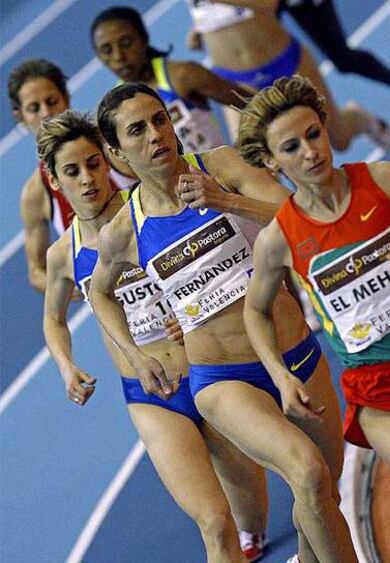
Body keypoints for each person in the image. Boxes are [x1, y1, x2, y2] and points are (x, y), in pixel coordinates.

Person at [90, 81, 358, 562]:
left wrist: (226, 201)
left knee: (324, 495)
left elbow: (300, 212)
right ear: (115, 151)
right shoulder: (123, 232)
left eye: (160, 119)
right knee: (308, 473)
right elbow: (99, 293)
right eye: (137, 130)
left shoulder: (222, 166)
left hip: (293, 352)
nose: (156, 135)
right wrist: (135, 354)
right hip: (222, 378)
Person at [39, 109, 281, 563]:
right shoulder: (62, 255)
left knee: (251, 521)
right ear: (55, 181)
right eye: (72, 171)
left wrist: (188, 312)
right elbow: (53, 319)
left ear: (108, 159)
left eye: (93, 164)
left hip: (208, 371)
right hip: (151, 396)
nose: (88, 179)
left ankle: (258, 533)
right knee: (214, 523)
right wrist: (66, 365)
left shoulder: (147, 209)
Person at [238, 74, 390, 488]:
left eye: (314, 134)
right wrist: (280, 375)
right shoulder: (279, 238)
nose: (311, 152)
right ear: (271, 162)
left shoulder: (384, 180)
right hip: (379, 392)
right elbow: (256, 311)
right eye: (291, 147)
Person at [185, 0, 390, 150]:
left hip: (284, 61)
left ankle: (357, 118)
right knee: (256, 164)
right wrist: (199, 28)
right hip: (232, 77)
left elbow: (270, 3)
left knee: (339, 140)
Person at [7, 59, 136, 293]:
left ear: (66, 98)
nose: (46, 113)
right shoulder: (36, 193)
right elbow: (36, 271)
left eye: (51, 101)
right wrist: (73, 284)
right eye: (34, 108)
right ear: (21, 117)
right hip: (116, 298)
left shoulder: (109, 147)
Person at [90, 6, 255, 153]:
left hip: (221, 180)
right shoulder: (116, 109)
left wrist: (246, 154)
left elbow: (252, 104)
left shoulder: (182, 74)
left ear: (143, 39)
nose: (119, 56)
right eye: (107, 50)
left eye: (126, 42)